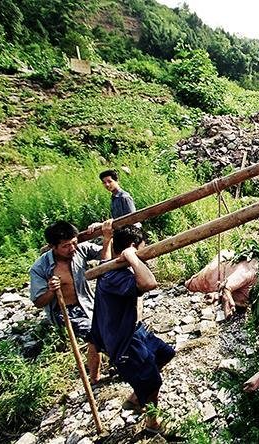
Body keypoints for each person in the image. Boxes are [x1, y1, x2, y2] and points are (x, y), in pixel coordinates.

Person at [90, 225, 175, 432]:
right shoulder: (114, 276)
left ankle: (137, 397)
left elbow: (106, 257)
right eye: (141, 249)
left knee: (166, 353)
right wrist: (133, 258)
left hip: (135, 330)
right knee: (153, 383)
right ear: (130, 248)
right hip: (125, 341)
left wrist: (107, 238)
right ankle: (152, 423)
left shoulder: (110, 266)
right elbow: (149, 283)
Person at [29, 219, 113, 383]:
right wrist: (52, 290)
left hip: (87, 303)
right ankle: (126, 361)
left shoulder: (79, 250)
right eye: (66, 246)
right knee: (94, 334)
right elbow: (38, 302)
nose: (72, 248)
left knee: (104, 330)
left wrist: (107, 236)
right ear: (53, 247)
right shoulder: (40, 268)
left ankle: (97, 376)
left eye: (74, 243)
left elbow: (107, 259)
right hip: (64, 312)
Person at [87, 169, 138, 234]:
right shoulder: (114, 198)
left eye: (109, 181)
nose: (107, 185)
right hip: (121, 232)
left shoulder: (124, 197)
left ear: (117, 181)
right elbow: (117, 218)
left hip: (130, 233)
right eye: (104, 183)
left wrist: (103, 224)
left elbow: (132, 219)